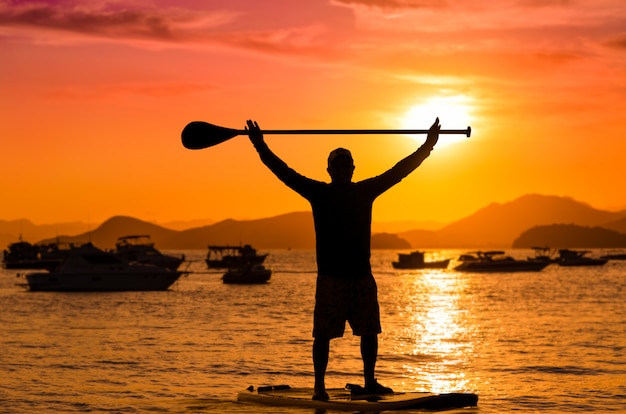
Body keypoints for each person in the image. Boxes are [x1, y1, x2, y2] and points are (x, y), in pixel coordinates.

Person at [246, 118, 441, 401]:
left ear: (352, 169)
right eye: (336, 166)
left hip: (361, 276)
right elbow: (283, 172)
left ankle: (370, 381)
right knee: (323, 335)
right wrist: (260, 145)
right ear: (329, 170)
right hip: (331, 279)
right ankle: (319, 387)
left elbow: (399, 171)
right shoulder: (319, 193)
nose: (341, 170)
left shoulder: (364, 191)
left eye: (345, 165)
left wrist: (427, 146)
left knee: (369, 331)